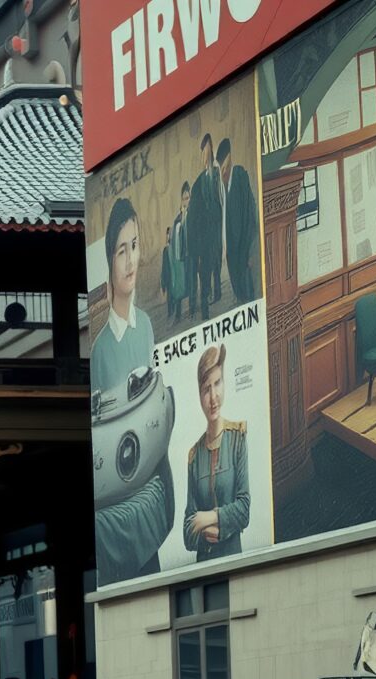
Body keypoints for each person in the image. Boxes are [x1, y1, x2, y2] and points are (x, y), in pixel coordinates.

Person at [92, 195, 177, 585]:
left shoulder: (145, 326)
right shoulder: (99, 351)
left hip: (149, 486)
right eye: (121, 250)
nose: (130, 260)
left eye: (135, 246)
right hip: (117, 500)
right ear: (110, 260)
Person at [184, 343, 250, 563]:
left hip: (233, 560)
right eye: (206, 389)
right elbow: (187, 532)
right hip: (204, 567)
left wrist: (210, 518)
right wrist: (204, 535)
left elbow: (244, 508)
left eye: (217, 384)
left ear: (224, 383)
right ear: (199, 394)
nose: (213, 397)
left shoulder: (238, 437)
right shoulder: (194, 456)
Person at [187, 131, 224, 314]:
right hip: (205, 236)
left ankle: (217, 293)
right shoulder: (199, 183)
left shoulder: (217, 175)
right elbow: (194, 215)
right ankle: (204, 305)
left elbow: (221, 201)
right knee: (206, 269)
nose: (207, 157)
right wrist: (195, 243)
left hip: (216, 231)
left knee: (216, 263)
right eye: (205, 152)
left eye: (209, 150)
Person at [220, 137, 258, 303]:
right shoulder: (221, 190)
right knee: (238, 288)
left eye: (224, 166)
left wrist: (250, 249)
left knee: (248, 290)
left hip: (244, 246)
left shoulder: (240, 176)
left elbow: (250, 215)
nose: (223, 172)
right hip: (231, 252)